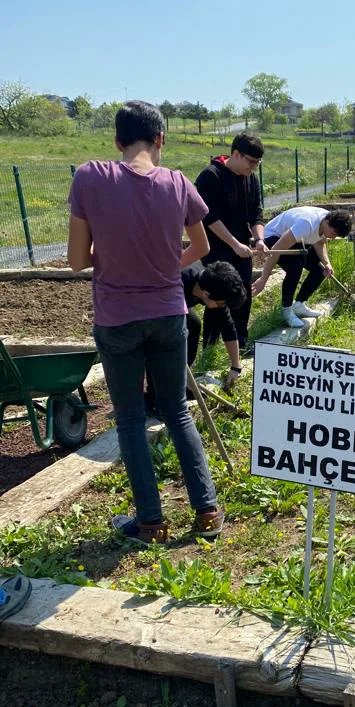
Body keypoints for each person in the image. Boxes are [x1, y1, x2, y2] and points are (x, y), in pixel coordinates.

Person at [67, 100, 223, 545]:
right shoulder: (177, 182)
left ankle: (151, 523)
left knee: (131, 420)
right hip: (170, 313)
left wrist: (120, 260)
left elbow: (78, 260)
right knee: (176, 411)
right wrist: (164, 263)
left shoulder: (91, 177)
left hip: (117, 319)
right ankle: (207, 512)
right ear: (161, 139)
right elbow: (202, 246)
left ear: (117, 140)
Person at [194, 132, 267, 352]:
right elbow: (208, 216)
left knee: (242, 293)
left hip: (241, 248)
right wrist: (234, 243)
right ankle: (210, 346)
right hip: (215, 249)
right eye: (251, 162)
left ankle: (240, 341)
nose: (253, 167)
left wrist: (259, 239)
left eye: (257, 163)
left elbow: (256, 213)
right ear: (236, 154)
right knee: (217, 296)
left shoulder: (250, 179)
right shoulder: (211, 176)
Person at [145, 261, 247, 412]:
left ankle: (179, 383)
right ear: (206, 295)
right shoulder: (178, 282)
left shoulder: (213, 285)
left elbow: (228, 327)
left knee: (192, 325)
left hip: (175, 305)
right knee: (162, 345)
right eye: (220, 304)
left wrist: (235, 367)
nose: (221, 307)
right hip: (147, 306)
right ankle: (155, 396)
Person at [251, 207, 353, 327]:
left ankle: (299, 304)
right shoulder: (306, 224)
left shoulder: (327, 220)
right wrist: (263, 279)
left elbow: (320, 242)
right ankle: (286, 310)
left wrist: (327, 264)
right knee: (295, 267)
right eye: (333, 234)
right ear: (327, 223)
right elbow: (275, 251)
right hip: (273, 237)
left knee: (321, 269)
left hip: (296, 238)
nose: (333, 238)